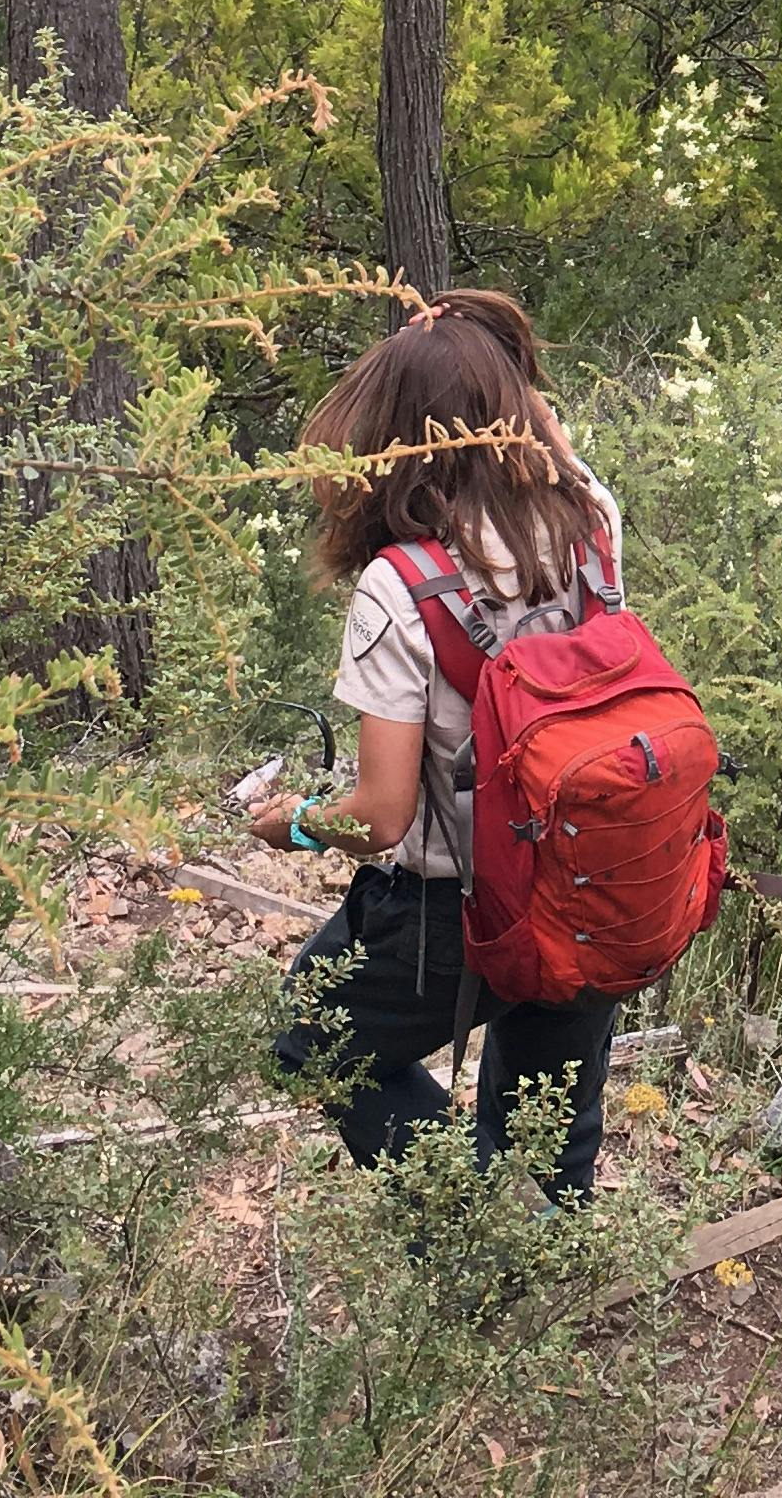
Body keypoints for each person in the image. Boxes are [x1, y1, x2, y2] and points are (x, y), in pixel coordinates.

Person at [248, 288, 626, 1196]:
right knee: (546, 1125)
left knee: (314, 1042)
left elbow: (380, 818)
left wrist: (293, 824)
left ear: (390, 436)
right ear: (515, 417)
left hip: (451, 910)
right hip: (586, 875)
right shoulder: (590, 524)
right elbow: (565, 464)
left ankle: (479, 1232)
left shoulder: (401, 584)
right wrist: (514, 396)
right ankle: (533, 1274)